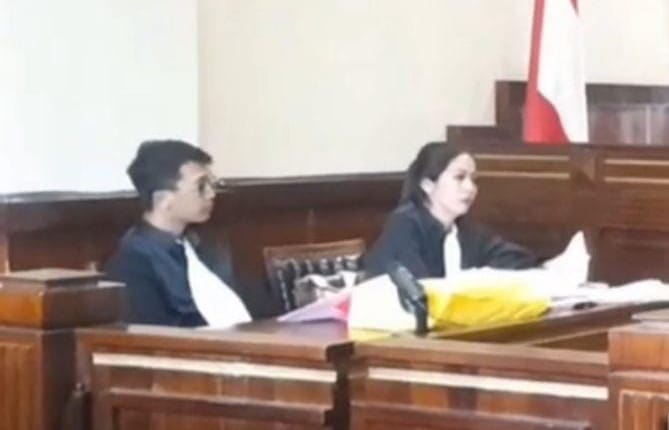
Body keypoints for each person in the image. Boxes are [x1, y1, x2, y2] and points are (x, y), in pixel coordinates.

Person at [106, 140, 279, 327]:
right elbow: (154, 334)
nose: (212, 194)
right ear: (163, 200)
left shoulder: (203, 245)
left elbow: (255, 304)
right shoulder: (133, 263)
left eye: (213, 184)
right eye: (201, 186)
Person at [364, 142, 538, 279]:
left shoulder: (466, 229)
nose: (470, 188)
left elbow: (518, 259)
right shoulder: (404, 225)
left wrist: (480, 277)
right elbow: (419, 288)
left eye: (473, 179)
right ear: (427, 185)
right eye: (459, 177)